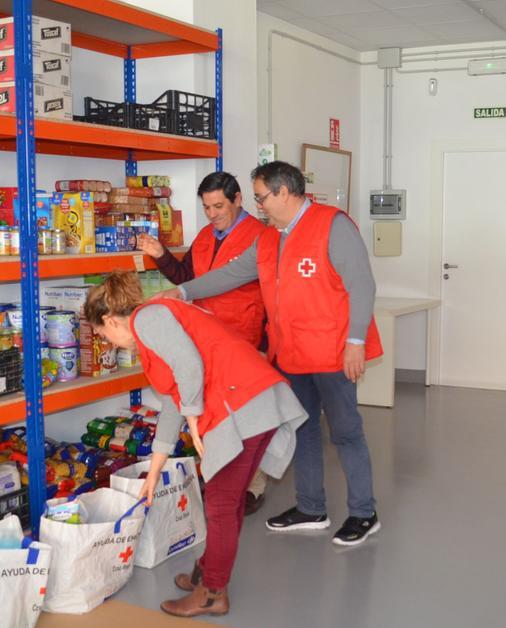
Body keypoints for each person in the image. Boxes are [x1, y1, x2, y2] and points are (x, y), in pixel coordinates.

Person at [160, 161, 384, 547]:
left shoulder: (333, 225)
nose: (259, 206)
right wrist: (184, 292)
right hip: (291, 353)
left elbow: (362, 286)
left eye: (262, 197)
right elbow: (231, 274)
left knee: (346, 433)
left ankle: (364, 513)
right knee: (303, 429)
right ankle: (311, 508)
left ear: (284, 192)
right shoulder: (269, 238)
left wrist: (356, 342)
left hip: (333, 353)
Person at [85, 271, 307, 617]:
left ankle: (212, 593)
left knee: (219, 502)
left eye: (103, 334)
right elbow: (174, 400)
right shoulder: (152, 333)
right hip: (251, 400)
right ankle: (208, 572)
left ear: (111, 319)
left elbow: (190, 368)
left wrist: (194, 419)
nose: (109, 343)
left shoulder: (149, 318)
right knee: (227, 498)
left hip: (244, 404)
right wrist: (154, 472)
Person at [137, 171, 272, 515]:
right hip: (205, 339)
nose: (212, 214)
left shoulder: (260, 237)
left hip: (244, 338)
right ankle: (222, 482)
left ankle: (252, 487)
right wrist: (161, 255)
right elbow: (186, 279)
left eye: (218, 206)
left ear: (237, 200)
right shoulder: (204, 238)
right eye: (207, 207)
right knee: (214, 418)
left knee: (245, 419)